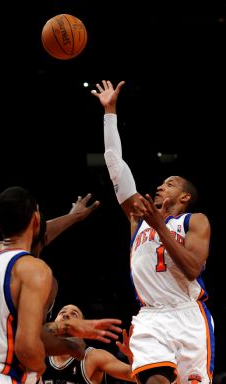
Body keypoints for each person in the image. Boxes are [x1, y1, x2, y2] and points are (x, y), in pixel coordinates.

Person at [91, 80, 215, 384]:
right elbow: (115, 165)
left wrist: (159, 226)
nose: (161, 185)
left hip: (188, 314)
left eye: (170, 183)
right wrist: (110, 112)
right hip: (150, 317)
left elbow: (192, 268)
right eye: (162, 182)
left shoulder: (194, 221)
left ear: (184, 197)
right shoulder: (138, 217)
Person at [0, 186, 122, 384]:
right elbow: (27, 347)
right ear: (36, 219)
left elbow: (35, 237)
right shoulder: (34, 270)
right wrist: (38, 369)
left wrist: (72, 217)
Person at [42, 304, 135, 384]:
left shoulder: (93, 357)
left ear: (84, 327)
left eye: (74, 314)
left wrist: (130, 356)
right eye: (62, 312)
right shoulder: (40, 355)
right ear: (54, 321)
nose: (66, 314)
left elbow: (133, 376)